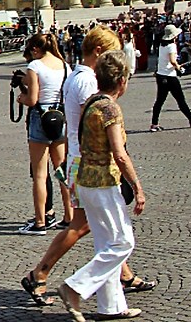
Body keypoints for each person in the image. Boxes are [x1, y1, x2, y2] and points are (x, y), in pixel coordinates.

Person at [24, 27, 151, 307]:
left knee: (98, 226)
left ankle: (122, 278)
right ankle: (40, 273)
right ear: (99, 51)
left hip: (80, 159)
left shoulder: (77, 75)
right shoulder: (86, 81)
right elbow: (93, 127)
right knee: (84, 226)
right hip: (88, 163)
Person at [58, 52, 145, 319]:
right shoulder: (110, 108)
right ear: (121, 81)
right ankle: (75, 287)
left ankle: (111, 306)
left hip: (84, 180)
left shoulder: (91, 103)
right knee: (122, 243)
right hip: (104, 182)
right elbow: (120, 154)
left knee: (106, 243)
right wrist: (137, 187)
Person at [21, 33, 68, 234]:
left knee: (40, 174)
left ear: (35, 49)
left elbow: (32, 99)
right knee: (62, 171)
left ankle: (40, 221)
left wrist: (21, 99)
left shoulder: (35, 66)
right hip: (59, 115)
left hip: (40, 117)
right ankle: (69, 216)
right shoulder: (64, 65)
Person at [148, 24, 191, 131]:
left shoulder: (162, 45)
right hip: (170, 76)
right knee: (180, 100)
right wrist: (178, 67)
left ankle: (154, 123)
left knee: (159, 101)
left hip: (161, 75)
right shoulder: (172, 46)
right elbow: (172, 60)